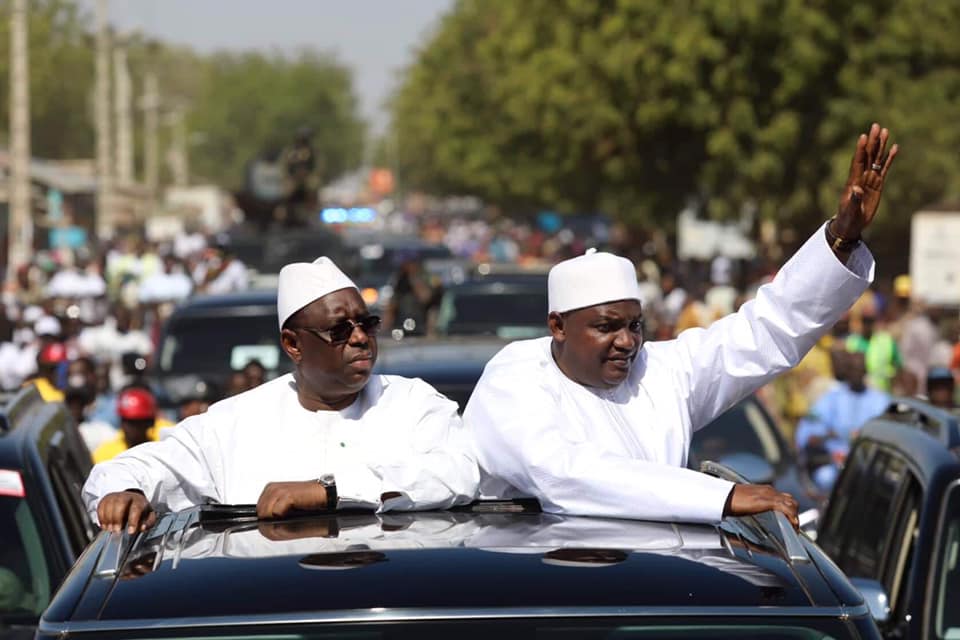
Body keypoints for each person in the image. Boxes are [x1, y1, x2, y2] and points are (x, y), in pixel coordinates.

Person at [465, 124, 898, 527]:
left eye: (635, 324)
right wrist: (720, 497)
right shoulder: (515, 379)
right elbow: (563, 472)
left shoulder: (659, 372)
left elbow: (766, 331)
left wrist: (842, 238)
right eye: (606, 326)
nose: (626, 341)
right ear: (558, 326)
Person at [83, 256, 479, 534]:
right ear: (293, 344)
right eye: (340, 330)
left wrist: (329, 491)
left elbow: (459, 473)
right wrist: (126, 494)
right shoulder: (237, 422)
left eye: (367, 324)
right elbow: (127, 470)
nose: (360, 338)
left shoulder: (412, 404)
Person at [795, 351, 890, 492]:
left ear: (865, 371)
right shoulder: (832, 397)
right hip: (835, 467)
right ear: (847, 372)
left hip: (869, 467)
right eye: (853, 369)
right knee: (824, 478)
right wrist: (826, 436)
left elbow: (887, 433)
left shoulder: (880, 400)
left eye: (860, 369)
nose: (856, 374)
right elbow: (808, 431)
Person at [92, 387, 159, 464]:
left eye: (135, 421)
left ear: (150, 422)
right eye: (125, 420)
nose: (129, 427)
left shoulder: (159, 451)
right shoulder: (105, 453)